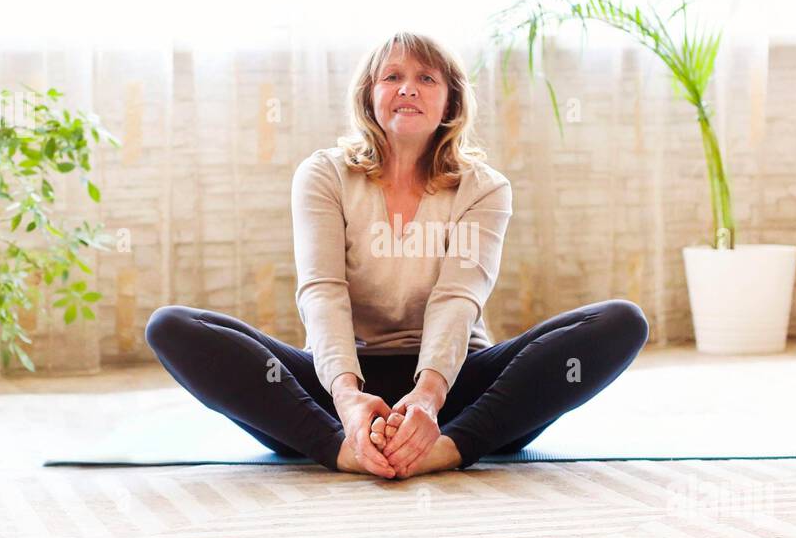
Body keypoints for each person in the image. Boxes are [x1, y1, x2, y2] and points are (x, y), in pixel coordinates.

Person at [145, 31, 649, 479]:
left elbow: (457, 298)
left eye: (426, 78)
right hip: (336, 391)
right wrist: (346, 400)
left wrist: (429, 399)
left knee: (620, 321)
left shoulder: (483, 187)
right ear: (370, 96)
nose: (408, 88)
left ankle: (449, 449)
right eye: (392, 76)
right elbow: (322, 292)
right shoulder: (324, 174)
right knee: (172, 326)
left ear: (451, 102)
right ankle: (342, 450)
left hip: (457, 391)